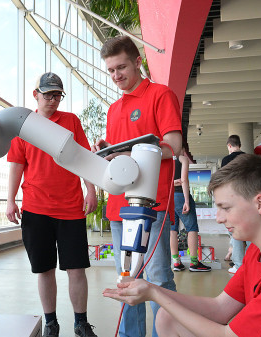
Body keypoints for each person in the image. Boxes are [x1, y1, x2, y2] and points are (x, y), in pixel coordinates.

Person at [103, 154, 261, 337]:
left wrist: (156, 294)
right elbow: (220, 308)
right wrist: (148, 289)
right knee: (167, 318)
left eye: (226, 208)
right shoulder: (259, 251)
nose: (219, 218)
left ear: (260, 204)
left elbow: (228, 334)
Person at [92, 35, 182, 337]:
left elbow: (172, 146)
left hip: (151, 204)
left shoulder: (160, 95)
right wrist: (108, 151)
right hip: (119, 208)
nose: (117, 76)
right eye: (111, 70)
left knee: (156, 279)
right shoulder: (114, 109)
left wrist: (128, 155)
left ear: (137, 62)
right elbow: (119, 157)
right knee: (127, 280)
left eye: (122, 67)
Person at [6, 72, 98, 337]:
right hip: (36, 209)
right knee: (44, 269)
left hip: (71, 208)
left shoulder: (70, 121)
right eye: (48, 94)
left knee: (76, 268)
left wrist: (90, 190)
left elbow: (84, 158)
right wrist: (10, 200)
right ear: (35, 95)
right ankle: (51, 323)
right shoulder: (23, 125)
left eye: (57, 95)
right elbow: (16, 166)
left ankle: (81, 323)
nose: (53, 100)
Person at [170, 147, 211, 272]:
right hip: (181, 196)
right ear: (182, 149)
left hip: (169, 198)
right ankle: (194, 263)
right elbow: (184, 180)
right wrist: (187, 201)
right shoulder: (182, 159)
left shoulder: (165, 160)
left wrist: (173, 183)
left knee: (173, 229)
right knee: (192, 228)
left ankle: (176, 262)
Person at [221, 135, 247, 274]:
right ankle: (252, 262)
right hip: (247, 197)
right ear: (239, 144)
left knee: (235, 231)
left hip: (232, 199)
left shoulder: (226, 160)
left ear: (229, 146)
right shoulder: (248, 159)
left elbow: (223, 180)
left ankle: (238, 264)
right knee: (250, 232)